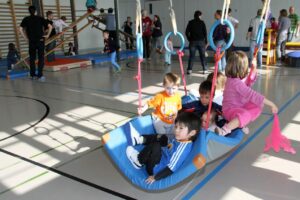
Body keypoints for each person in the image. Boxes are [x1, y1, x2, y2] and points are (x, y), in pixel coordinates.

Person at [126, 112, 201, 184]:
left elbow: (171, 168)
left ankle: (139, 161)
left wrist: (155, 177)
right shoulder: (182, 138)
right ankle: (139, 139)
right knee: (163, 137)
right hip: (162, 156)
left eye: (181, 128)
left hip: (156, 168)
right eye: (176, 126)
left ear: (192, 133)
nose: (176, 130)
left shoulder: (182, 148)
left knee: (156, 146)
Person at [215, 51, 278, 136]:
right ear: (242, 68)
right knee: (247, 114)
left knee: (257, 106)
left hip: (237, 106)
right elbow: (252, 94)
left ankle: (241, 122)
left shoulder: (233, 79)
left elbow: (248, 82)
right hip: (229, 111)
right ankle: (224, 130)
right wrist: (271, 104)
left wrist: (254, 68)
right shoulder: (236, 83)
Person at [20, 6, 52, 81]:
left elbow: (20, 29)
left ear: (29, 11)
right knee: (41, 58)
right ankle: (40, 75)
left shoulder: (26, 19)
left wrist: (25, 38)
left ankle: (32, 75)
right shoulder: (40, 18)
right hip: (40, 41)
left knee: (32, 58)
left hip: (31, 41)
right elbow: (50, 26)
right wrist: (47, 35)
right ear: (35, 11)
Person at [185, 10, 208, 75]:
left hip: (192, 42)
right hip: (201, 42)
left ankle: (189, 70)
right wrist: (205, 41)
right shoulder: (202, 22)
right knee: (202, 56)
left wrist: (189, 39)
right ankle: (205, 69)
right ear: (200, 15)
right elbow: (205, 32)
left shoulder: (190, 22)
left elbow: (186, 32)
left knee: (192, 56)